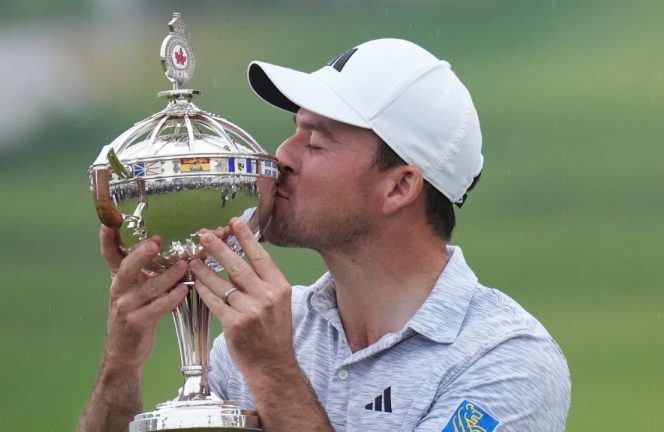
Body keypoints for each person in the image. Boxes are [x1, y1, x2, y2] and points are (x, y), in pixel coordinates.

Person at [78, 38, 571, 432]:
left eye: (315, 141)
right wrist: (120, 369)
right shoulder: (259, 333)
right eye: (293, 130)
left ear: (400, 186)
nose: (282, 157)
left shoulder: (508, 361)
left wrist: (274, 374)